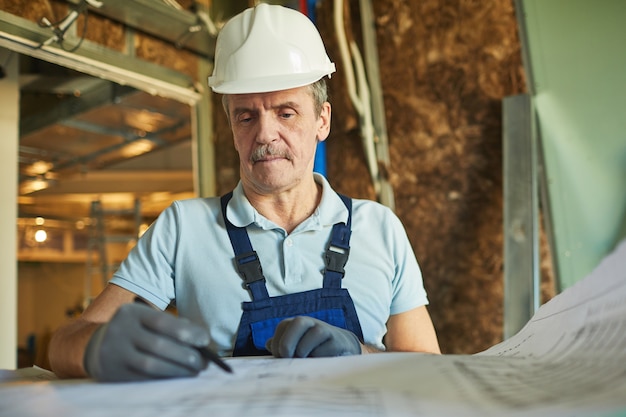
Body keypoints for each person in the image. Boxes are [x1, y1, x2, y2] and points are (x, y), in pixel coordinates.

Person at [48, 3, 441, 382]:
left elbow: (428, 369)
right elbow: (64, 345)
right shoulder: (184, 228)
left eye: (286, 113)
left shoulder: (379, 227)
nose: (265, 134)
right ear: (231, 127)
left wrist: (360, 354)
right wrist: (97, 346)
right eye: (246, 116)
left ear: (322, 120)